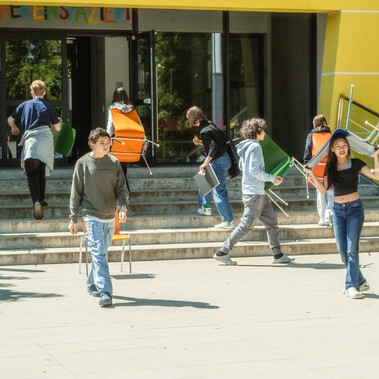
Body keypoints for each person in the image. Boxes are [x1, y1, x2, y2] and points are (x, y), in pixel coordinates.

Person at [304, 133, 379, 299]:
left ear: (348, 147)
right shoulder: (330, 168)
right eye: (337, 146)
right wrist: (311, 174)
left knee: (352, 249)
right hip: (337, 211)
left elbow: (376, 175)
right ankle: (359, 280)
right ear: (332, 149)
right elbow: (323, 190)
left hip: (355, 210)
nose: (341, 148)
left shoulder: (357, 163)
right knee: (342, 250)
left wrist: (375, 156)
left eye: (344, 145)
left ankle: (350, 286)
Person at [214, 118, 295, 265]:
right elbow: (254, 170)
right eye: (263, 130)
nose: (264, 132)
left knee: (271, 223)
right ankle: (222, 251)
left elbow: (243, 166)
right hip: (255, 194)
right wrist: (272, 178)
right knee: (246, 225)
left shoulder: (245, 147)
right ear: (257, 132)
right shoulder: (256, 147)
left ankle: (277, 255)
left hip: (257, 193)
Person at [68, 128, 129, 307]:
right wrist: (73, 219)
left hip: (110, 215)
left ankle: (92, 282)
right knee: (99, 253)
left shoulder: (114, 163)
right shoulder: (83, 164)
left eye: (108, 142)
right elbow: (75, 192)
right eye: (102, 143)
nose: (106, 145)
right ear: (92, 144)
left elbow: (121, 188)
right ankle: (105, 292)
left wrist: (123, 207)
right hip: (91, 215)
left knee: (100, 252)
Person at [7, 80, 61, 220]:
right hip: (46, 142)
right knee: (41, 172)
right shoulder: (48, 106)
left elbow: (10, 119)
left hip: (31, 141)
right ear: (44, 92)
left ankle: (36, 200)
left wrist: (14, 128)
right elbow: (58, 128)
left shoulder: (25, 105)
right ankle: (41, 199)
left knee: (32, 174)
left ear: (32, 93)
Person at [187, 106, 234, 229]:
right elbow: (217, 142)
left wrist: (205, 162)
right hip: (225, 159)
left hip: (217, 161)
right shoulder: (210, 125)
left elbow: (213, 147)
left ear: (193, 119)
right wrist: (200, 143)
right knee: (204, 178)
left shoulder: (204, 131)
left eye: (189, 118)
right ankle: (205, 207)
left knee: (219, 192)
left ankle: (228, 221)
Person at [303, 114, 333, 226]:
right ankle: (329, 216)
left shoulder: (311, 135)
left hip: (317, 166)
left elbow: (308, 149)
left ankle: (322, 219)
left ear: (315, 124)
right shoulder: (331, 135)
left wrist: (306, 164)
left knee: (320, 193)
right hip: (330, 166)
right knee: (330, 191)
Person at [106, 87, 135, 193]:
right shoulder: (131, 108)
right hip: (128, 140)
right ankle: (126, 192)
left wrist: (107, 138)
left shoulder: (112, 108)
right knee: (123, 169)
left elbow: (110, 125)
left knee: (116, 169)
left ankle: (120, 194)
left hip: (116, 140)